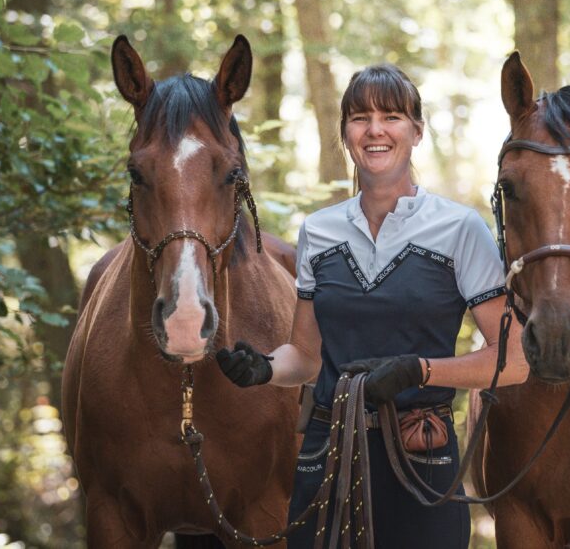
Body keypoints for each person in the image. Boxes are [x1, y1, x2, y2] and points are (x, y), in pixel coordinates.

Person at [217, 63, 528, 548]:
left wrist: (418, 371)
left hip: (420, 459)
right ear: (345, 134)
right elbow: (305, 357)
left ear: (417, 131)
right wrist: (262, 368)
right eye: (360, 117)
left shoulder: (460, 229)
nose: (375, 129)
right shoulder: (318, 231)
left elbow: (513, 360)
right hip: (327, 458)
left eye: (392, 116)